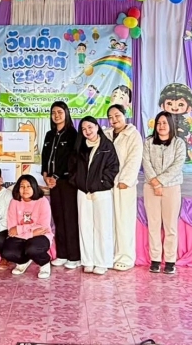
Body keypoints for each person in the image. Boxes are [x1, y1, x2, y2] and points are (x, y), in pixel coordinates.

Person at [71, 116, 119, 275]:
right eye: (83, 129)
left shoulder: (107, 146)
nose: (87, 131)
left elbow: (113, 167)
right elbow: (72, 168)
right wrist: (78, 182)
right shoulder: (79, 147)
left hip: (101, 192)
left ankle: (102, 262)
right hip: (83, 192)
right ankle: (88, 261)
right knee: (85, 227)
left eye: (90, 127)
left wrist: (101, 183)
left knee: (102, 228)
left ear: (97, 127)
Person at [142, 112, 186, 274]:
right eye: (159, 123)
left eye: (165, 123)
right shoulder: (148, 142)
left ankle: (170, 261)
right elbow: (145, 162)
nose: (161, 126)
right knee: (153, 224)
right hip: (150, 187)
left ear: (171, 125)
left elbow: (177, 165)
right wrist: (154, 183)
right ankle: (155, 260)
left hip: (171, 187)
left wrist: (160, 182)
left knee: (170, 226)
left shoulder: (178, 143)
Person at [41, 101, 80, 269]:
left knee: (69, 218)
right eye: (53, 113)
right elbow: (45, 155)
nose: (56, 115)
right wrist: (45, 174)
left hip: (67, 183)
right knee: (58, 218)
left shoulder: (73, 134)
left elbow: (70, 159)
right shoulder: (50, 134)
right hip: (52, 183)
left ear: (66, 113)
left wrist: (55, 176)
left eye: (59, 112)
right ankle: (62, 254)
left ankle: (74, 256)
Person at [105, 104, 143, 271]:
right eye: (111, 117)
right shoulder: (106, 134)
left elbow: (134, 159)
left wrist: (125, 180)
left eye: (117, 115)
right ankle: (110, 255)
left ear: (124, 115)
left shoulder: (133, 135)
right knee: (110, 221)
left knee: (124, 221)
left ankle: (125, 257)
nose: (114, 119)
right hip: (108, 184)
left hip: (124, 185)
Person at [3, 175, 53, 279]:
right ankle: (23, 262)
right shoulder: (14, 202)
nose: (25, 189)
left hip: (41, 235)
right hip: (25, 235)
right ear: (18, 188)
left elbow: (43, 227)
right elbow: (12, 228)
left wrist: (19, 229)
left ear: (34, 187)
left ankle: (44, 263)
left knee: (33, 249)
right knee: (7, 253)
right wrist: (31, 232)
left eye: (28, 186)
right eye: (22, 186)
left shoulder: (42, 201)